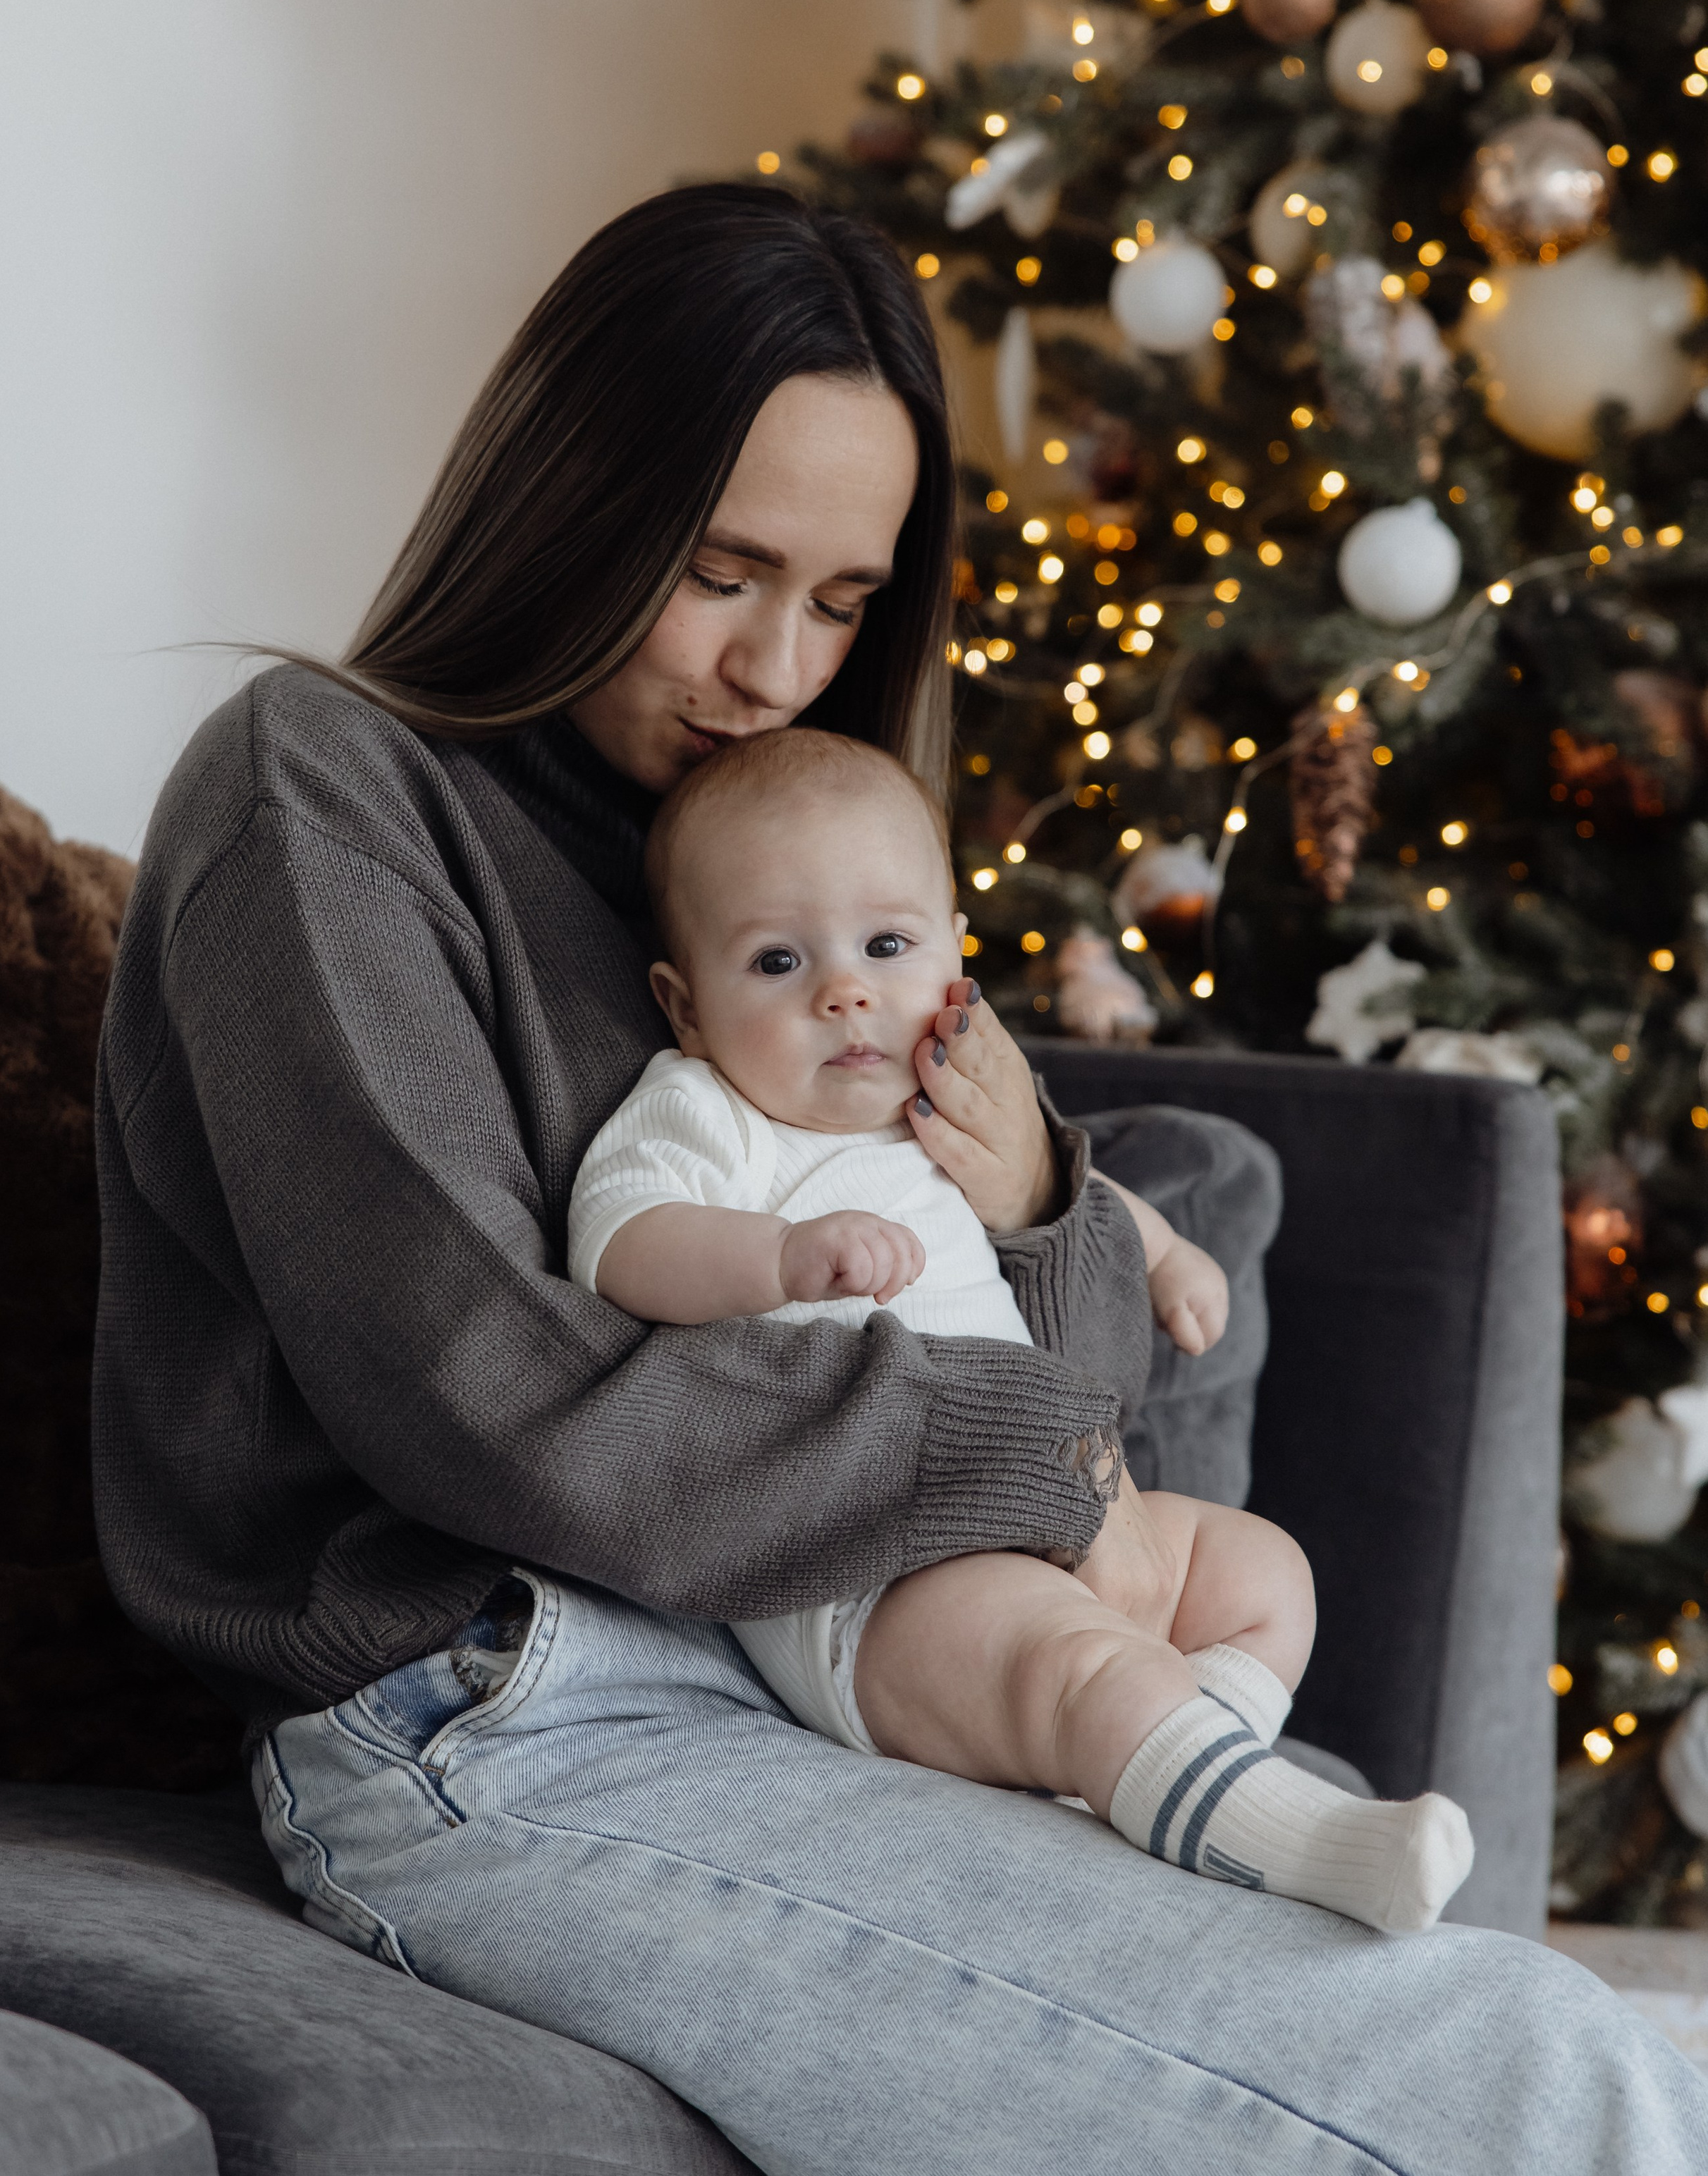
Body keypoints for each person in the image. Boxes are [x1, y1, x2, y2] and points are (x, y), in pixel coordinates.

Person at [94, 182, 1708, 2176]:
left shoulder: (809, 869)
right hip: (510, 1711)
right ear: (568, 501)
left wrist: (1042, 1202)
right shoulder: (321, 800)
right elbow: (486, 1400)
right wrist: (1025, 1447)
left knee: (1533, 2039)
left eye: (841, 601)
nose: (773, 668)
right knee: (1503, 2095)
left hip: (870, 1667)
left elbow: (1064, 1343)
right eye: (722, 573)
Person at [570, 723, 1474, 1934]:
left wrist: (1169, 1255)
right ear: (686, 1006)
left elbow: (1073, 1186)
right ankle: (1293, 1837)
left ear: (955, 954)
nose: (846, 992)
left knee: (1265, 1573)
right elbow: (621, 1239)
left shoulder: (949, 1094)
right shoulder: (710, 1109)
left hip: (1061, 1511)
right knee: (1076, 1662)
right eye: (778, 963)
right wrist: (777, 1257)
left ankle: (1176, 1785)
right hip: (875, 1570)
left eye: (888, 946)